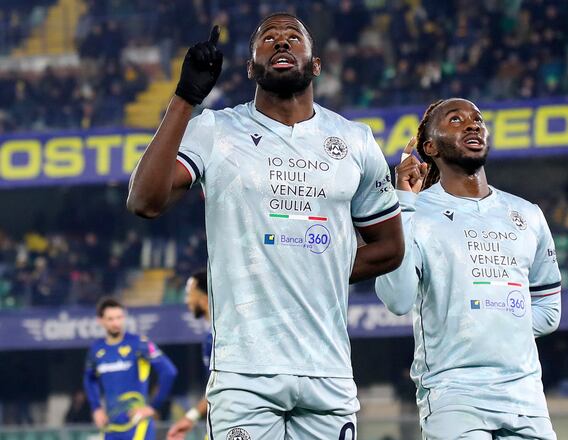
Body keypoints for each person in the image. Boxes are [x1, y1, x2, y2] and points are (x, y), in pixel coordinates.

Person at [126, 14, 404, 439]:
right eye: (268, 38)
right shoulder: (214, 130)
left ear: (315, 64)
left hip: (327, 369)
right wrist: (184, 99)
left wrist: (311, 266)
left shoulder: (355, 140)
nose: (281, 43)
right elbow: (144, 201)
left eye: (294, 37)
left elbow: (389, 247)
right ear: (251, 67)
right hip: (243, 372)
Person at [375, 98, 562, 440]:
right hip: (453, 395)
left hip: (526, 397)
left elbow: (548, 311)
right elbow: (397, 299)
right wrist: (403, 203)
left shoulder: (527, 215)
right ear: (430, 146)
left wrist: (497, 322)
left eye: (477, 119)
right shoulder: (415, 211)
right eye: (456, 119)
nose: (473, 124)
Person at [83, 298, 177, 439]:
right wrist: (96, 408)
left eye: (119, 318)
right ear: (100, 320)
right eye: (110, 319)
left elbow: (169, 372)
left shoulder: (140, 344)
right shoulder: (96, 349)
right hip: (110, 427)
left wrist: (153, 407)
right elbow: (89, 379)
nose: (116, 323)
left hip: (138, 426)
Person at [167, 270, 212, 439]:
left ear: (204, 298)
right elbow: (215, 388)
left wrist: (190, 417)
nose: (186, 301)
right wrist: (190, 418)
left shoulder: (221, 336)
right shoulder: (210, 337)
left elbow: (222, 386)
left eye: (189, 294)